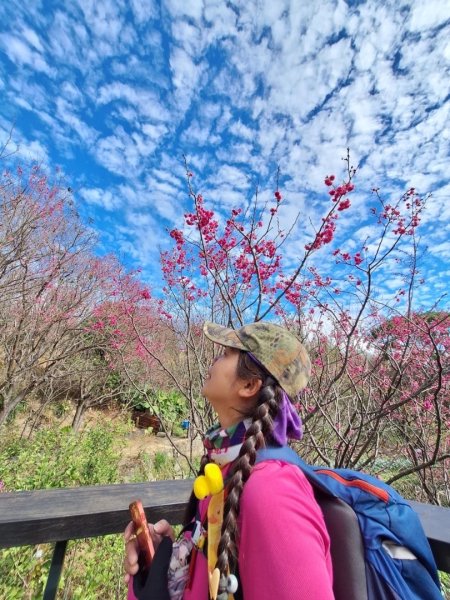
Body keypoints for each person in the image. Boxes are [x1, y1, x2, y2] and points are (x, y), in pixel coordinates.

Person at [124, 321, 334, 600]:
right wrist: (170, 555)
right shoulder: (228, 466)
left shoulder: (272, 492)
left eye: (225, 353)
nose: (214, 359)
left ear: (249, 385)